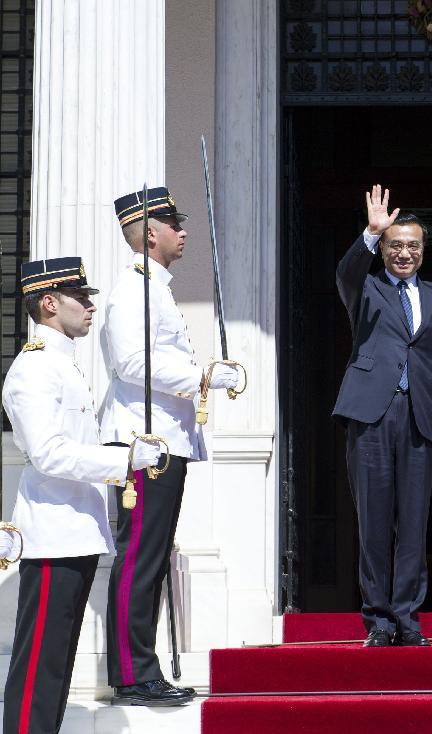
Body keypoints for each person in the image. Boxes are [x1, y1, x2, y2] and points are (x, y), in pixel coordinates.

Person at [1, 257, 161, 734]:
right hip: (53, 531)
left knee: (56, 663)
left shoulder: (61, 364)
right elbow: (48, 453)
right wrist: (122, 462)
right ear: (49, 303)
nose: (91, 306)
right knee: (40, 664)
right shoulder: (35, 369)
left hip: (75, 529)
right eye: (80, 298)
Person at [101, 188, 240, 705]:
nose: (183, 231)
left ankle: (142, 668)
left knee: (152, 558)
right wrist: (201, 376)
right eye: (173, 223)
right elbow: (131, 363)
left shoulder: (155, 289)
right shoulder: (133, 290)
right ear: (150, 232)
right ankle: (132, 675)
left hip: (164, 440)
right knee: (140, 556)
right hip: (146, 440)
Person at [333, 185, 432, 647]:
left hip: (421, 418)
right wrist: (370, 232)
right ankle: (379, 621)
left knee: (413, 523)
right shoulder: (365, 288)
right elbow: (346, 272)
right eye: (395, 245)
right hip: (371, 415)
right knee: (373, 521)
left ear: (423, 251)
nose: (405, 253)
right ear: (384, 250)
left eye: (413, 246)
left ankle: (407, 618)